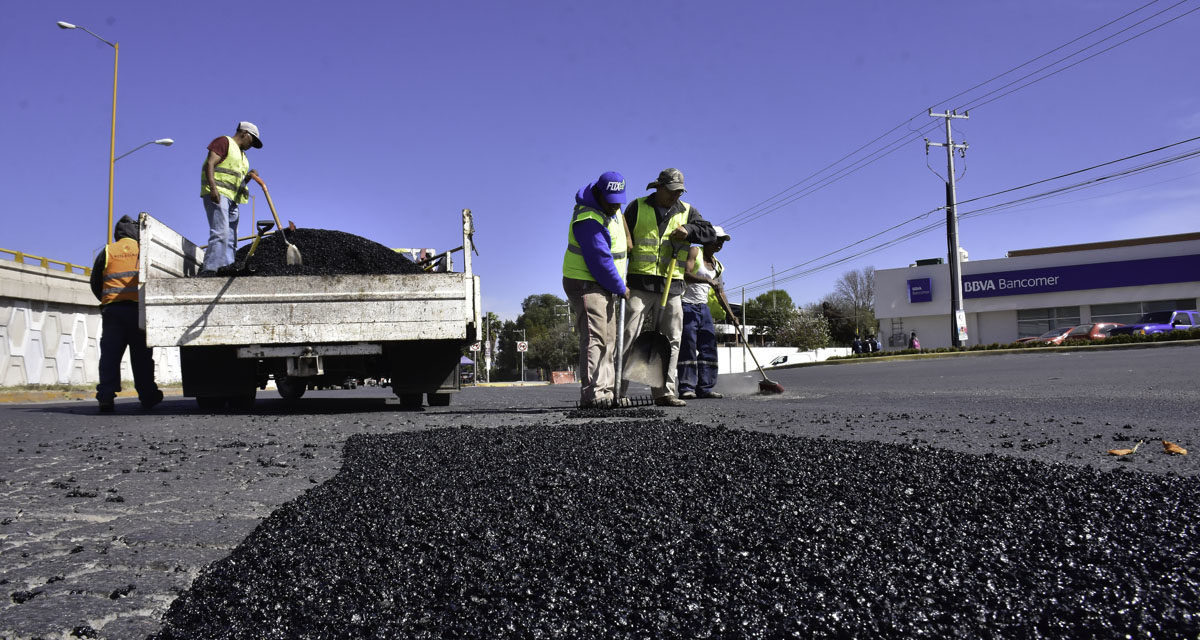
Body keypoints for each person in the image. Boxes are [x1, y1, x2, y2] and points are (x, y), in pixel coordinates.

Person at [620, 168, 716, 407]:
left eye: (679, 192)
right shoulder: (637, 207)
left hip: (672, 286)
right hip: (640, 285)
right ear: (659, 188)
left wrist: (689, 230)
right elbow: (622, 240)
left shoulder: (687, 211)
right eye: (671, 192)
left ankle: (664, 392)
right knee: (629, 337)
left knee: (672, 339)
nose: (675, 197)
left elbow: (709, 232)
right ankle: (618, 392)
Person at [562, 171, 630, 408]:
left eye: (618, 202)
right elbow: (600, 262)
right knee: (596, 338)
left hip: (604, 284)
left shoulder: (612, 207)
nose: (615, 207)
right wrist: (621, 287)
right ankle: (594, 394)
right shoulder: (588, 219)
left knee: (610, 339)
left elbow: (621, 229)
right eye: (611, 202)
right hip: (586, 283)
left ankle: (608, 392)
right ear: (599, 194)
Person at [91, 215, 163, 413]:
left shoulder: (107, 251)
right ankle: (148, 396)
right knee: (141, 357)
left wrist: (107, 301)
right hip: (137, 311)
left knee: (110, 356)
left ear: (118, 233)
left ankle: (105, 397)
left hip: (112, 311)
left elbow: (96, 282)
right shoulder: (143, 250)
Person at [677, 226, 732, 399]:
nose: (719, 245)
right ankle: (687, 387)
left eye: (722, 242)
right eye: (717, 240)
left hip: (704, 308)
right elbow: (685, 275)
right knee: (688, 347)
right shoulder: (695, 251)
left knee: (708, 347)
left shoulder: (718, 265)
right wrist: (707, 280)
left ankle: (706, 387)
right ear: (707, 239)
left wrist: (731, 314)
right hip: (687, 305)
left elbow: (720, 291)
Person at [201, 122, 262, 271]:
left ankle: (226, 269)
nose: (252, 145)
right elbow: (210, 164)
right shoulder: (224, 142)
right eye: (252, 140)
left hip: (233, 200)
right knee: (220, 233)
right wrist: (213, 189)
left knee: (231, 238)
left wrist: (248, 177)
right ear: (245, 133)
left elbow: (235, 180)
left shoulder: (243, 156)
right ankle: (211, 269)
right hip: (218, 195)